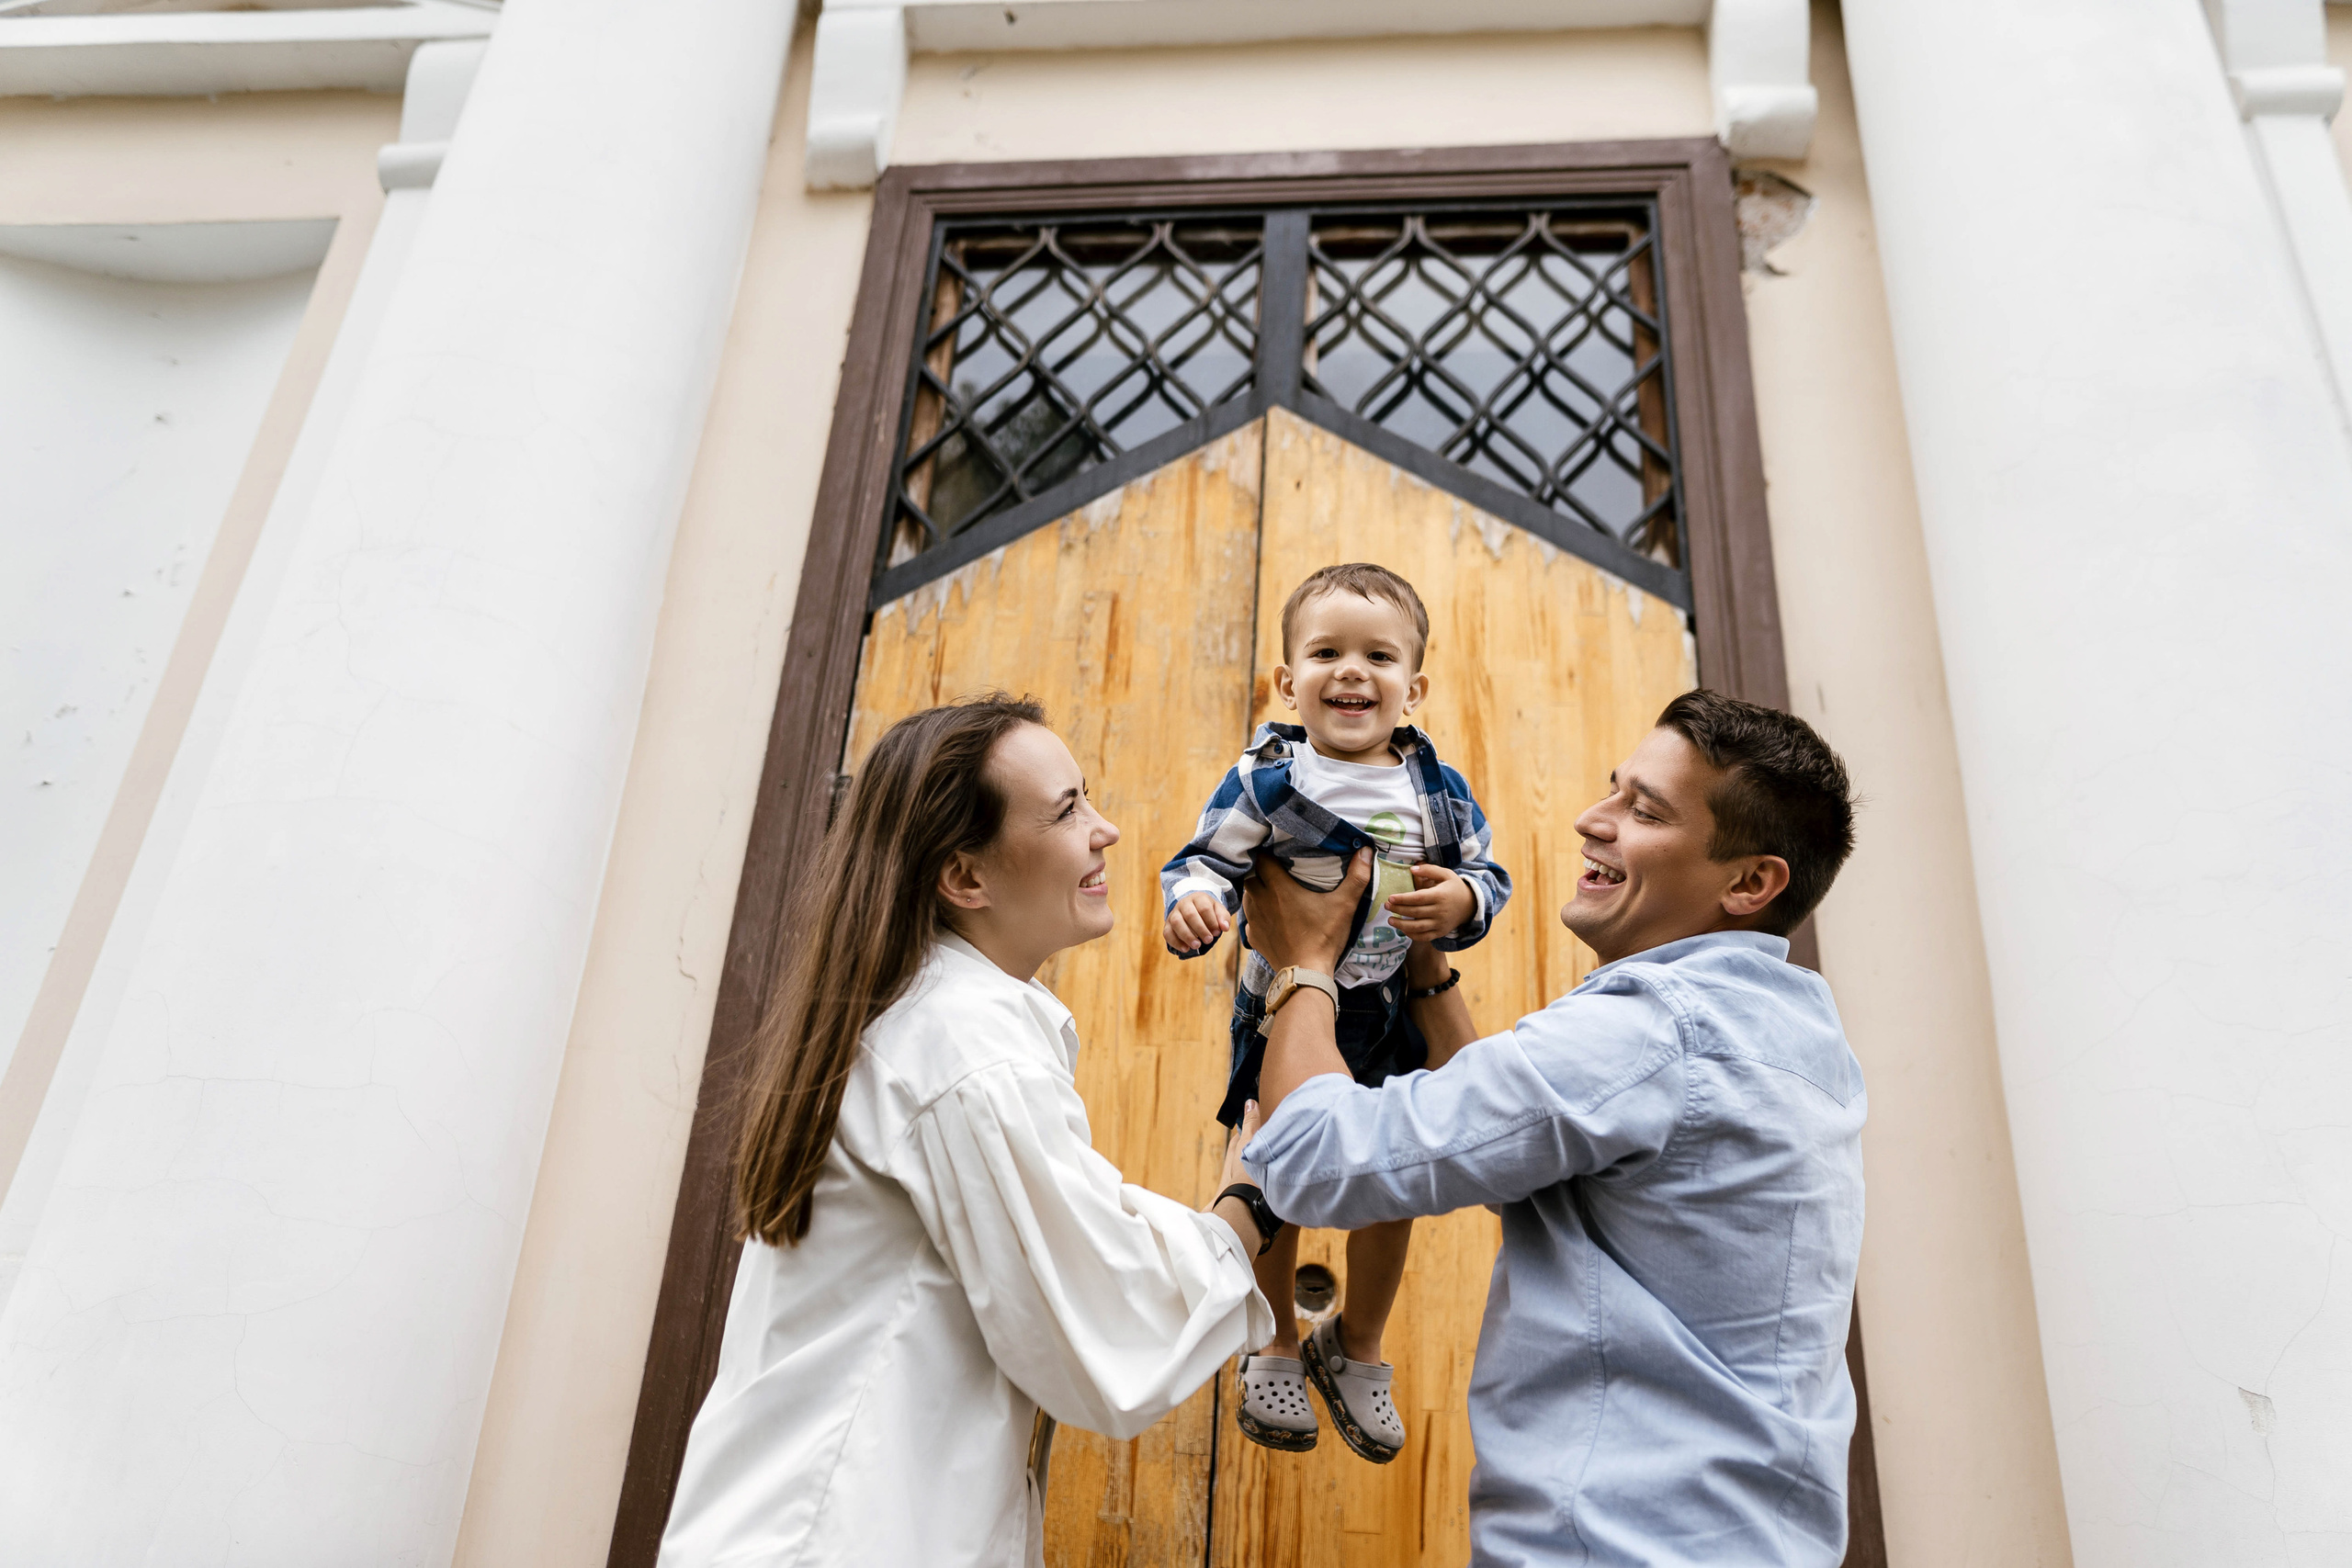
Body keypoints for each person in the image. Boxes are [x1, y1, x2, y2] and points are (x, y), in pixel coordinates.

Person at [1241, 689, 1866, 1566]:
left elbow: (1316, 1160)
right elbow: (1524, 1146)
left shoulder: (1652, 1032)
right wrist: (1426, 973)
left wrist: (1302, 964)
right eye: (1616, 790)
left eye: (1643, 810)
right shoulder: (1795, 1035)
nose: (1592, 820)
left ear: (1750, 881)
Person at [658, 697, 1281, 1568]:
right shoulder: (962, 1045)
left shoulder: (930, 1022)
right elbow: (1096, 1315)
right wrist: (1246, 1208)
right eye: (1066, 811)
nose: (1104, 830)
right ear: (965, 877)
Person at [1159, 563, 1510, 1463]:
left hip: (1387, 1004)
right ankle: (1275, 1338)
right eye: (1324, 653)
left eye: (1377, 657)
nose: (1351, 672)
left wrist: (1462, 906)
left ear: (1413, 688)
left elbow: (1487, 874)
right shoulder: (1268, 780)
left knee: (1394, 1182)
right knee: (1282, 1176)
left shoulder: (1435, 787)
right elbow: (1205, 860)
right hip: (1279, 1006)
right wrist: (1192, 903)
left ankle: (1357, 1345)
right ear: (1287, 682)